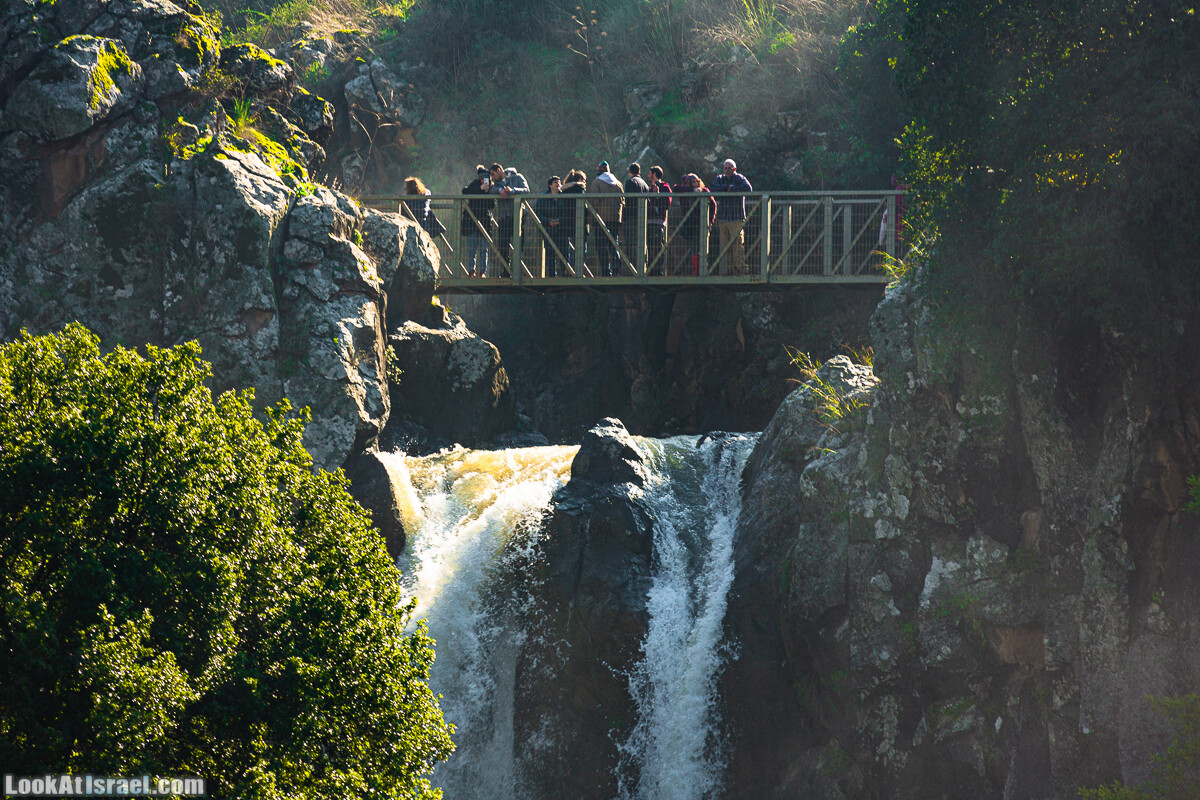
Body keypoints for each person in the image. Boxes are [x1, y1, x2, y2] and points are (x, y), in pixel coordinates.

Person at [710, 158, 753, 274]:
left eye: (730, 168)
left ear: (735, 169)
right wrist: (726, 189)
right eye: (725, 168)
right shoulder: (720, 179)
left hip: (736, 217)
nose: (727, 170)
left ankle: (742, 271)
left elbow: (748, 189)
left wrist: (733, 189)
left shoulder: (739, 178)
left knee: (737, 246)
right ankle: (732, 271)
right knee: (726, 247)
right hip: (723, 217)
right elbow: (712, 188)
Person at [488, 163, 529, 277]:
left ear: (499, 170)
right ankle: (506, 271)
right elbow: (492, 191)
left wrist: (513, 190)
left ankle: (516, 271)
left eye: (493, 174)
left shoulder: (518, 177)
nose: (492, 177)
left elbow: (526, 190)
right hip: (503, 218)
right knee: (503, 246)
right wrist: (501, 189)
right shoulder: (497, 184)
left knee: (518, 245)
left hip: (518, 217)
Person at [671, 173, 715, 275]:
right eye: (692, 183)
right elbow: (676, 188)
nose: (695, 184)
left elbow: (713, 205)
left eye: (696, 182)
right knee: (694, 247)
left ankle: (703, 270)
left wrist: (711, 220)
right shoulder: (685, 191)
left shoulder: (704, 191)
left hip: (702, 223)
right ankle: (697, 270)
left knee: (703, 247)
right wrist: (693, 191)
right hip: (690, 224)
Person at [589, 160, 624, 276]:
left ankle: (606, 272)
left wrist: (591, 220)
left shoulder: (596, 183)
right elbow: (622, 201)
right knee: (614, 244)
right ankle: (617, 267)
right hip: (615, 220)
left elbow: (593, 202)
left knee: (601, 246)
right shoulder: (618, 184)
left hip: (601, 220)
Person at [534, 176, 569, 277]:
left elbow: (568, 212)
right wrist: (547, 221)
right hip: (548, 229)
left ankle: (564, 274)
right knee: (550, 253)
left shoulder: (565, 196)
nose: (558, 184)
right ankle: (551, 275)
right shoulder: (543, 197)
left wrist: (560, 221)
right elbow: (538, 212)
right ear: (550, 185)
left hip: (562, 229)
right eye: (555, 182)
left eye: (559, 182)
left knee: (564, 251)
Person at [461, 165, 492, 277]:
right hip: (471, 222)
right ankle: (471, 271)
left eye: (487, 178)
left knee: (484, 249)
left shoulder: (491, 188)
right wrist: (480, 189)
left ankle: (482, 271)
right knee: (471, 248)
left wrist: (488, 192)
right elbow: (465, 191)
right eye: (483, 178)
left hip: (485, 221)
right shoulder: (475, 185)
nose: (485, 180)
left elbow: (493, 204)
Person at [622, 162, 651, 271]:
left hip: (632, 217)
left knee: (631, 243)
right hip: (642, 218)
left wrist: (624, 217)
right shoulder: (644, 183)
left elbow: (628, 201)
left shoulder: (630, 182)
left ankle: (633, 270)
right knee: (642, 243)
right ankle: (643, 268)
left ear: (629, 172)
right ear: (639, 171)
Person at [561, 169, 588, 275]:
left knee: (569, 248)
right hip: (580, 222)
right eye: (585, 180)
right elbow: (583, 206)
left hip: (568, 222)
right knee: (581, 249)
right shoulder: (579, 188)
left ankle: (568, 269)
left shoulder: (566, 190)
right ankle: (576, 271)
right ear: (581, 180)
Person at [646, 165, 672, 275]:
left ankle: (659, 271)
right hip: (648, 222)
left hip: (658, 222)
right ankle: (650, 270)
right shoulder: (649, 188)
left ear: (654, 174)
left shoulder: (664, 187)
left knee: (658, 247)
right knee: (649, 247)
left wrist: (657, 195)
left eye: (650, 173)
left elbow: (667, 204)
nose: (648, 175)